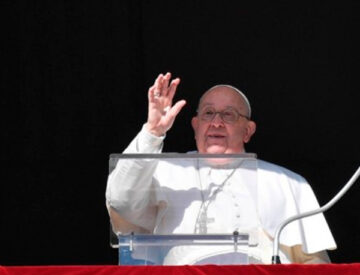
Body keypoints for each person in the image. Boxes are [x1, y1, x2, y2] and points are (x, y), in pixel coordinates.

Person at [106, 72, 336, 264]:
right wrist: (152, 132)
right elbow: (121, 201)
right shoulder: (163, 170)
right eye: (208, 113)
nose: (216, 122)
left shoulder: (286, 182)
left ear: (248, 131)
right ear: (196, 126)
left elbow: (314, 265)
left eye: (228, 115)